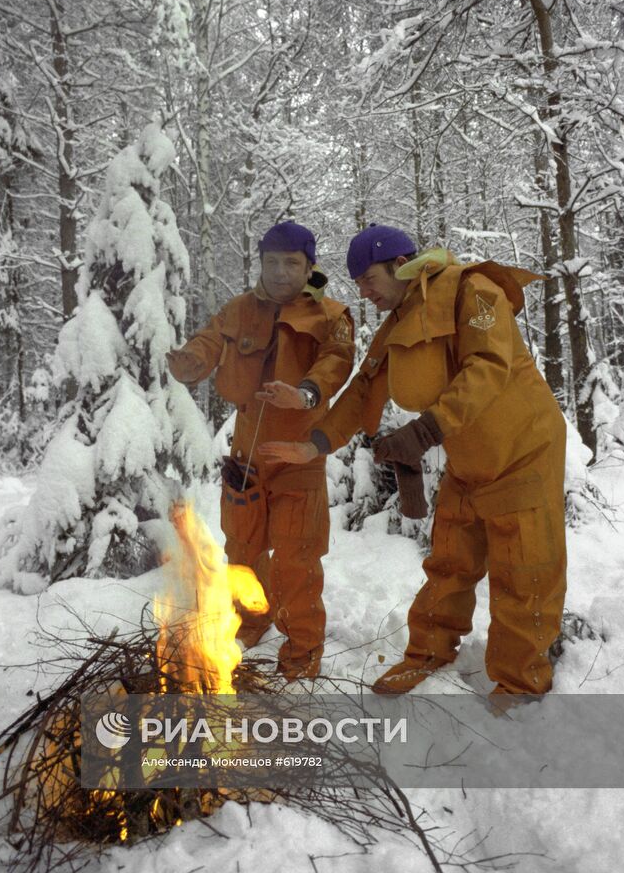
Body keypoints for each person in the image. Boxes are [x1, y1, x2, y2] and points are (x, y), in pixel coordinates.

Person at [260, 225, 567, 696]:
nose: (363, 292)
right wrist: (315, 443)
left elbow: (487, 367)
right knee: (449, 561)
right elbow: (364, 385)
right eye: (357, 284)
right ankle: (427, 652)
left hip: (523, 449)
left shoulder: (474, 290)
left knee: (524, 570)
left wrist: (423, 431)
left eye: (367, 280)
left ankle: (520, 682)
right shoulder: (399, 319)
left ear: (399, 265)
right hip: (467, 455)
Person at [166, 221, 354, 680]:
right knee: (243, 548)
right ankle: (252, 619)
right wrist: (189, 359)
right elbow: (210, 341)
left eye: (291, 263)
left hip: (298, 457)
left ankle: (303, 647)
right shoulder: (240, 310)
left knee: (297, 557)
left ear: (310, 266)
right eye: (271, 262)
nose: (280, 273)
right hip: (246, 453)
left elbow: (337, 363)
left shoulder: (332, 315)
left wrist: (306, 394)